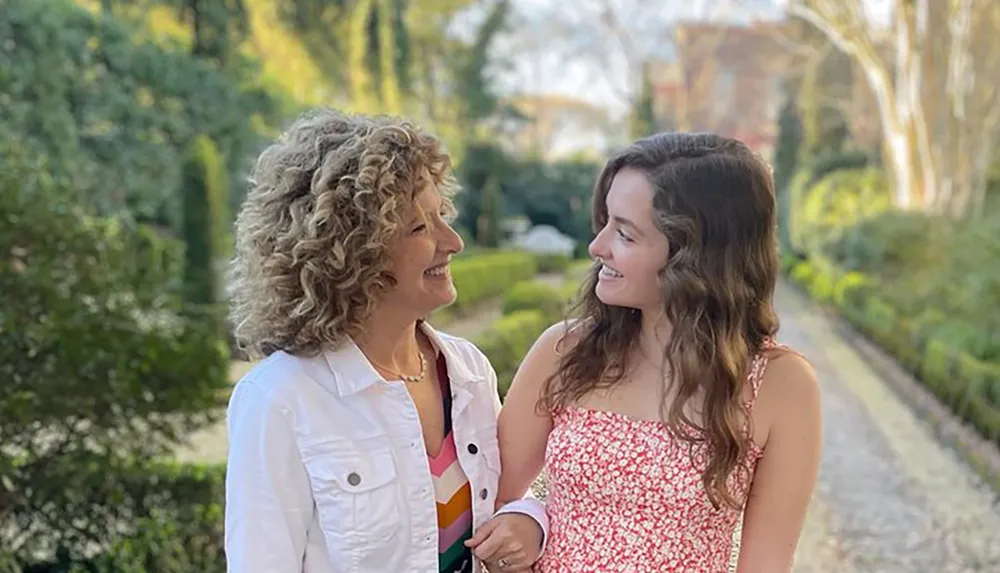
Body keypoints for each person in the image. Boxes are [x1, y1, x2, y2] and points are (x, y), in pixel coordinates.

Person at [224, 108, 547, 573]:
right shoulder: (279, 401)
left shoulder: (470, 372)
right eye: (420, 227)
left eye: (442, 215)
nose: (453, 241)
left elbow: (519, 495)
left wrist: (527, 518)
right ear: (353, 253)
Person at [489, 132, 823, 572]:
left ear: (697, 257)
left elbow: (766, 563)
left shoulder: (781, 384)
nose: (597, 246)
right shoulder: (564, 351)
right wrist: (528, 517)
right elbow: (491, 496)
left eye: (624, 234)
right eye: (606, 221)